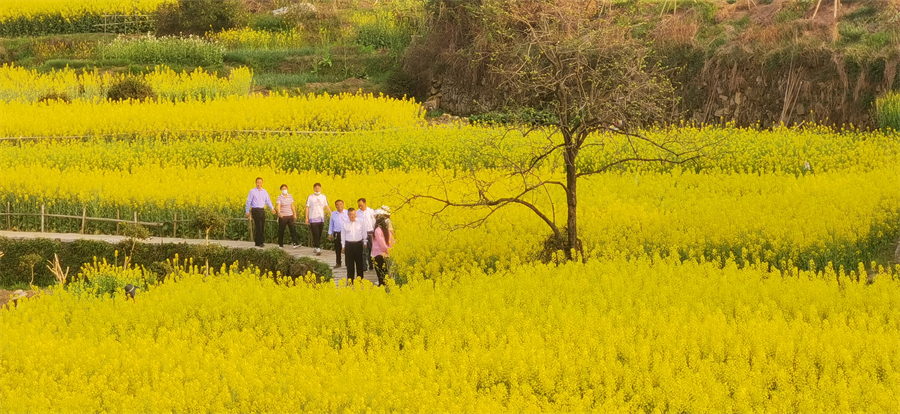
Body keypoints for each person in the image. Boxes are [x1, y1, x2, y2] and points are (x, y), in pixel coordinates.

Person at [245, 177, 276, 248]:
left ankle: (258, 241)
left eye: (260, 182)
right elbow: (248, 201)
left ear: (262, 183)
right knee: (258, 226)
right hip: (255, 210)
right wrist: (247, 211)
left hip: (262, 210)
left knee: (262, 226)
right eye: (258, 182)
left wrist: (272, 208)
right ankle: (260, 242)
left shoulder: (264, 191)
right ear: (256, 183)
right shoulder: (252, 191)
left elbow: (268, 201)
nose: (259, 184)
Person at [341, 208, 367, 283]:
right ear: (348, 215)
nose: (352, 216)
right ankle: (350, 280)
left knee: (359, 262)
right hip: (349, 244)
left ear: (356, 214)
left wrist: (365, 242)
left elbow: (364, 232)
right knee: (349, 264)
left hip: (358, 244)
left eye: (354, 214)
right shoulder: (345, 223)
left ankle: (360, 279)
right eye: (351, 215)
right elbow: (343, 235)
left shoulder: (360, 222)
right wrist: (343, 246)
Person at [305, 183, 331, 255]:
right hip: (313, 218)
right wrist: (306, 218)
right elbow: (307, 207)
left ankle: (316, 247)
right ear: (313, 189)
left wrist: (331, 214)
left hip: (321, 218)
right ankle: (318, 248)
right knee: (315, 233)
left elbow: (326, 206)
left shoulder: (323, 197)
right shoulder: (310, 197)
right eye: (316, 188)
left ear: (320, 188)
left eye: (318, 188)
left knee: (319, 234)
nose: (317, 189)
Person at [371, 212, 394, 287]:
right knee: (386, 272)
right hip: (387, 254)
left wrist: (385, 250)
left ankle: (382, 287)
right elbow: (392, 241)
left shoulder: (377, 230)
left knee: (380, 273)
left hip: (378, 254)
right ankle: (387, 288)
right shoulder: (387, 230)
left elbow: (381, 243)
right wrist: (390, 250)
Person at [276, 184, 300, 248]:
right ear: (281, 190)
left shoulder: (290, 196)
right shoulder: (279, 197)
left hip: (290, 215)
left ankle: (295, 243)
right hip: (283, 216)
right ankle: (280, 244)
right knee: (281, 230)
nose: (284, 190)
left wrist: (294, 214)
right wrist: (279, 213)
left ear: (287, 189)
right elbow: (278, 206)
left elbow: (292, 205)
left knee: (293, 230)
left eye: (285, 189)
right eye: (283, 189)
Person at [328, 199, 349, 268]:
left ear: (343, 205)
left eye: (340, 204)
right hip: (337, 233)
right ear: (335, 206)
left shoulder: (347, 213)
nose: (339, 206)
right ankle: (338, 263)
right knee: (337, 248)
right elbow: (331, 224)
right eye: (337, 204)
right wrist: (330, 233)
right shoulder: (333, 214)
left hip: (346, 233)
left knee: (347, 248)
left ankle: (347, 263)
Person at [357, 198, 376, 270]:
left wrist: (374, 232)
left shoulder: (371, 211)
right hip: (361, 233)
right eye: (359, 205)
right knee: (362, 251)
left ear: (365, 203)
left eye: (361, 205)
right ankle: (364, 266)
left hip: (370, 232)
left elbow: (374, 222)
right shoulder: (357, 213)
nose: (360, 207)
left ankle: (371, 265)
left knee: (371, 250)